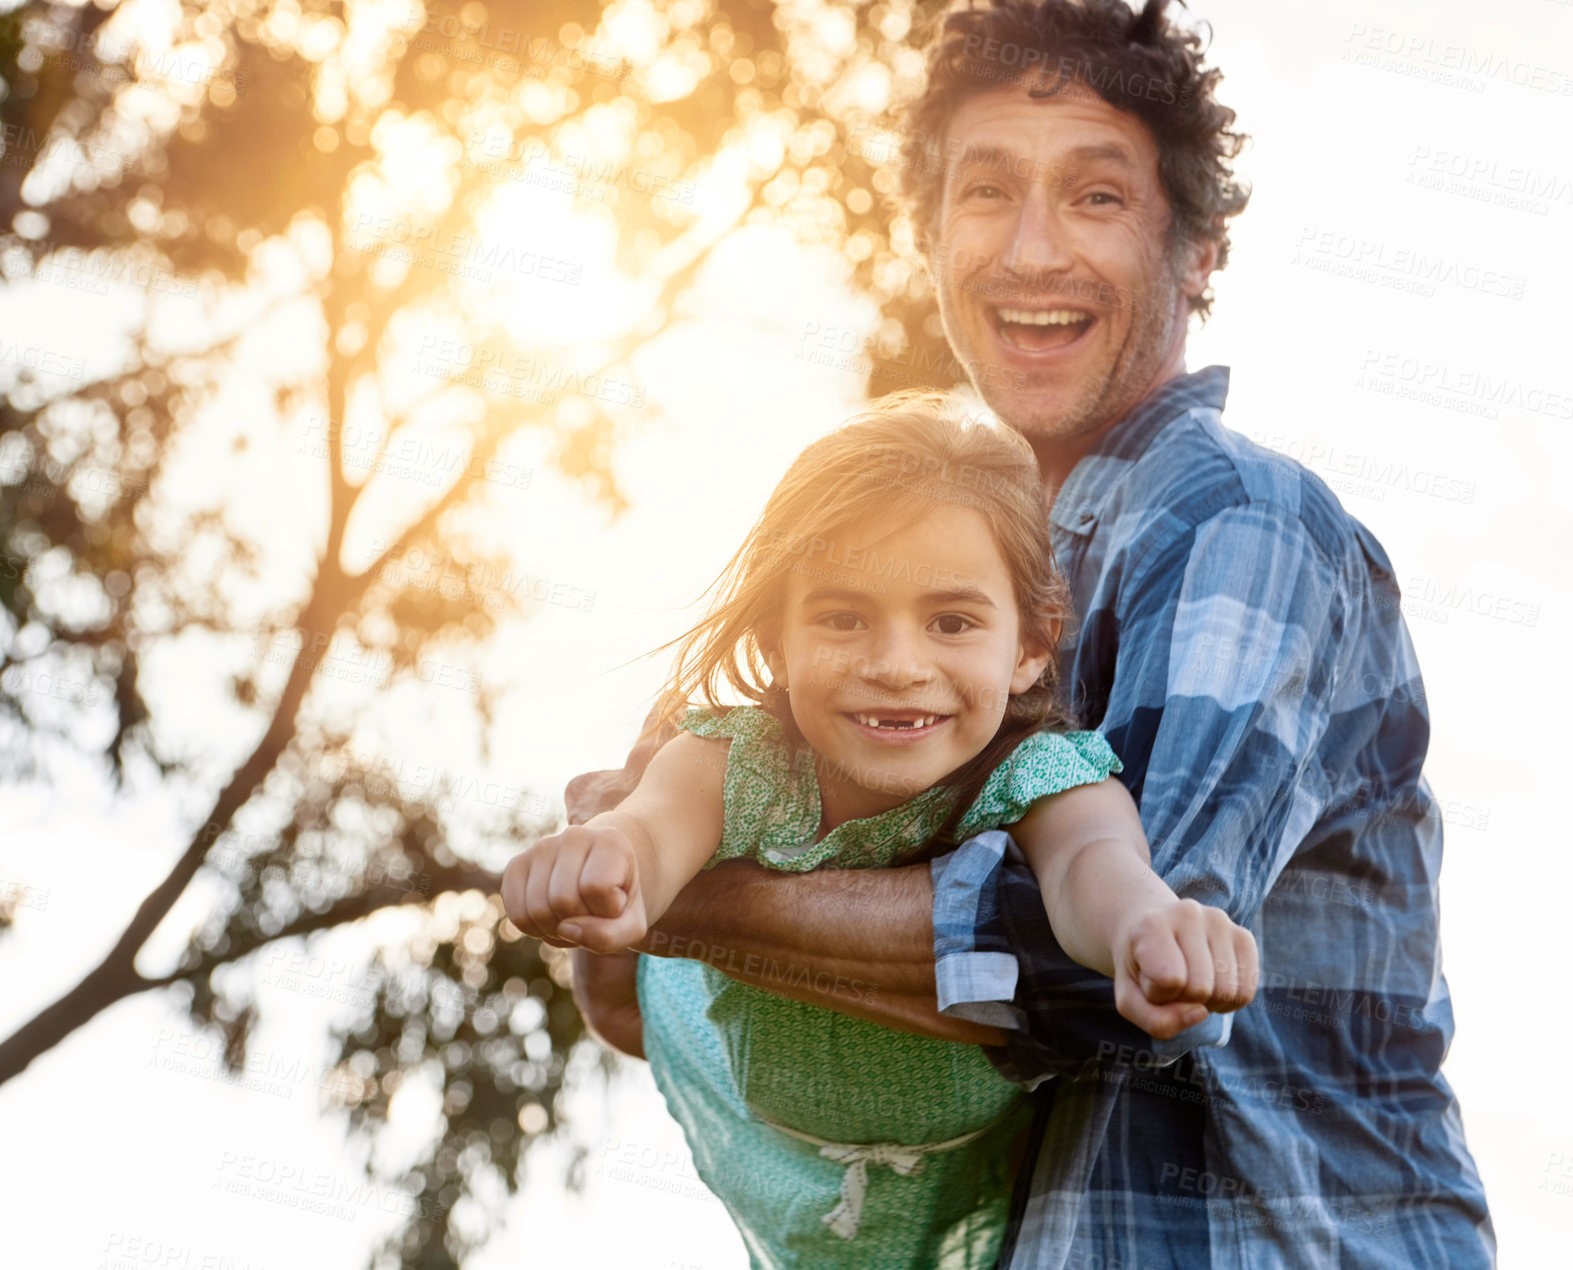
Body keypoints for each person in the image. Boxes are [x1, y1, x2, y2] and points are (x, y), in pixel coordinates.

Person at [554, 0, 1497, 1265]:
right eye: (985, 192)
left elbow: (1106, 974)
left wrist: (674, 882)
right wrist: (642, 865)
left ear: (1199, 246)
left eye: (1097, 198)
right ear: (933, 235)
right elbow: (663, 1007)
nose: (1031, 251)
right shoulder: (935, 591)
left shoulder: (1233, 520)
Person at [503, 397, 1258, 1267]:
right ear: (775, 641)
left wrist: (1142, 925)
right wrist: (602, 858)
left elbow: (1094, 860)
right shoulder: (736, 758)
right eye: (841, 617)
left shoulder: (1035, 773)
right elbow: (651, 826)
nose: (897, 666)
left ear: (1029, 647)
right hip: (773, 1141)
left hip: (963, 1175)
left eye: (951, 622)